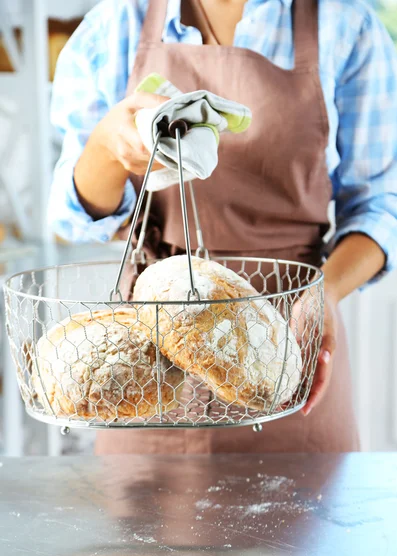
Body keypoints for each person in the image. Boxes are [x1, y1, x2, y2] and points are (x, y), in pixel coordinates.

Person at [48, 0, 397, 454]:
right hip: (150, 359)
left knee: (300, 524)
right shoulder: (113, 27)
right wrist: (107, 147)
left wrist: (324, 293)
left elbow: (382, 205)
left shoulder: (348, 28)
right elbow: (73, 218)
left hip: (287, 340)